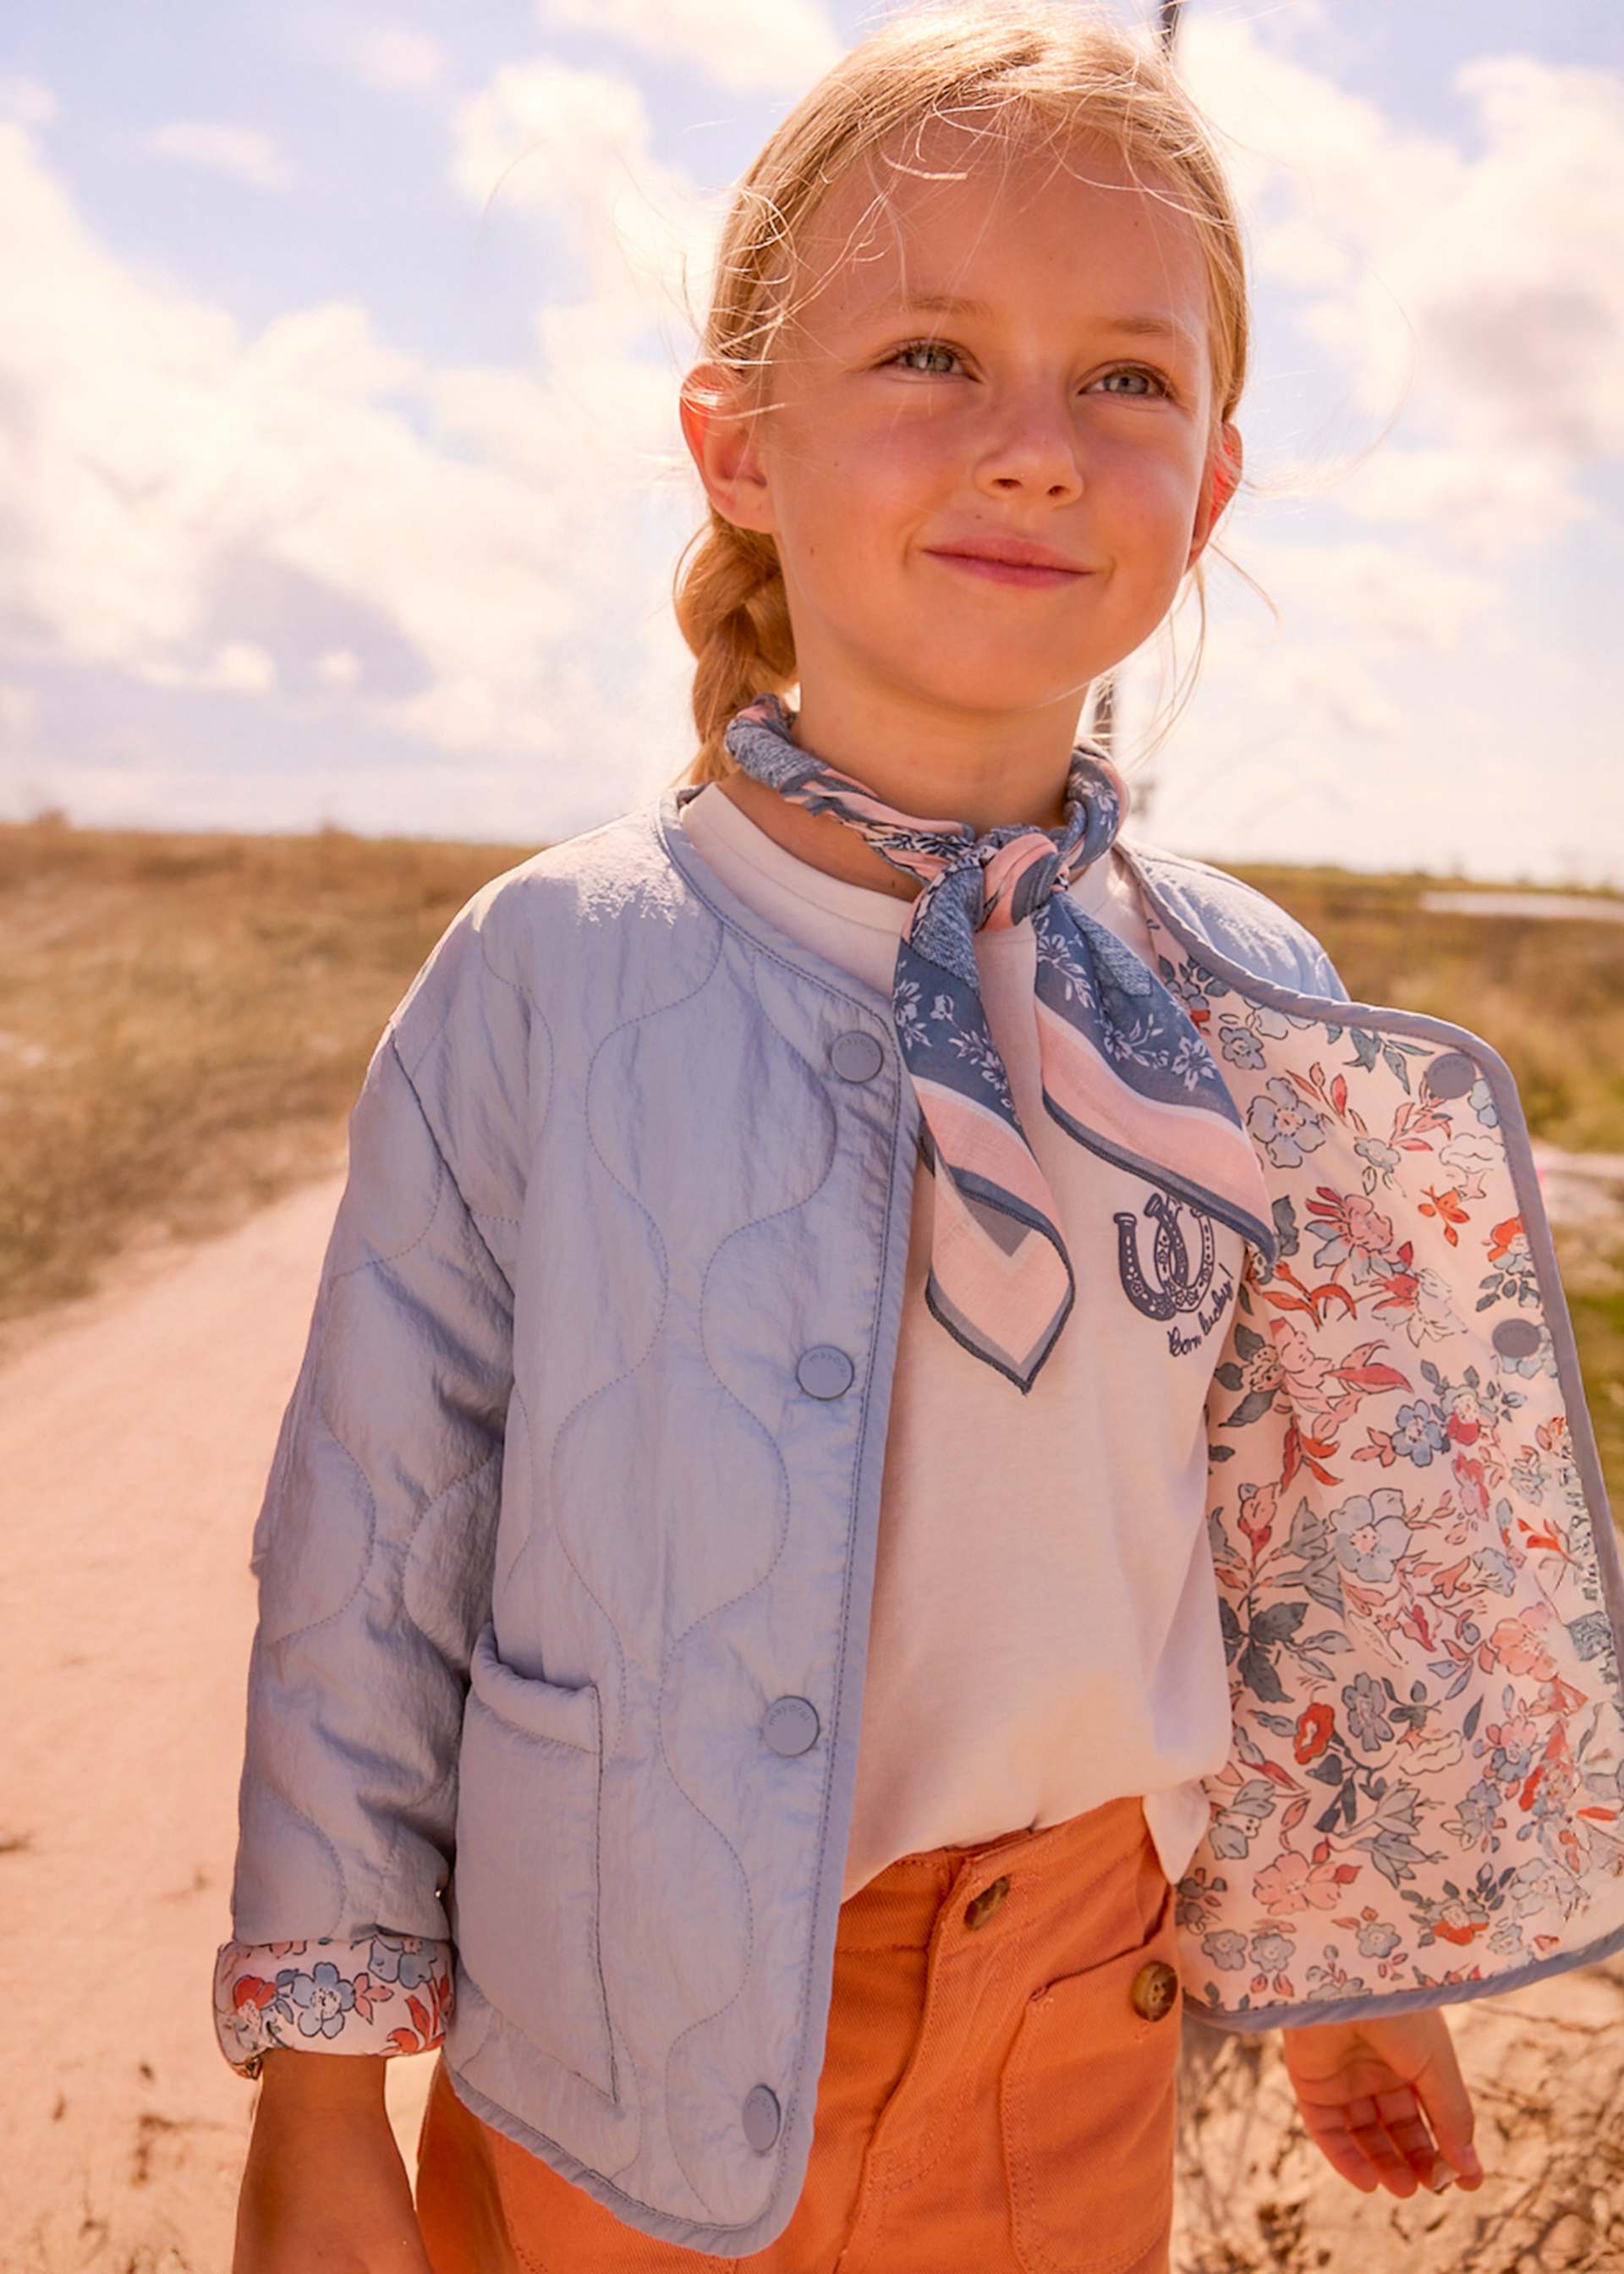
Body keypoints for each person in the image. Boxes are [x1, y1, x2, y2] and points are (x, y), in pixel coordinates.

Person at [214, 3, 1624, 2267]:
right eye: (932, 359)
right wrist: (317, 2097)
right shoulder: (556, 972)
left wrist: (1351, 1961)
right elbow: (372, 1562)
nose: (1037, 449)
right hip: (611, 2020)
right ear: (737, 444)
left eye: (1128, 381)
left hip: (1082, 2005)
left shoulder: (1241, 1001)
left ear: (1218, 487)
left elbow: (1278, 1540)